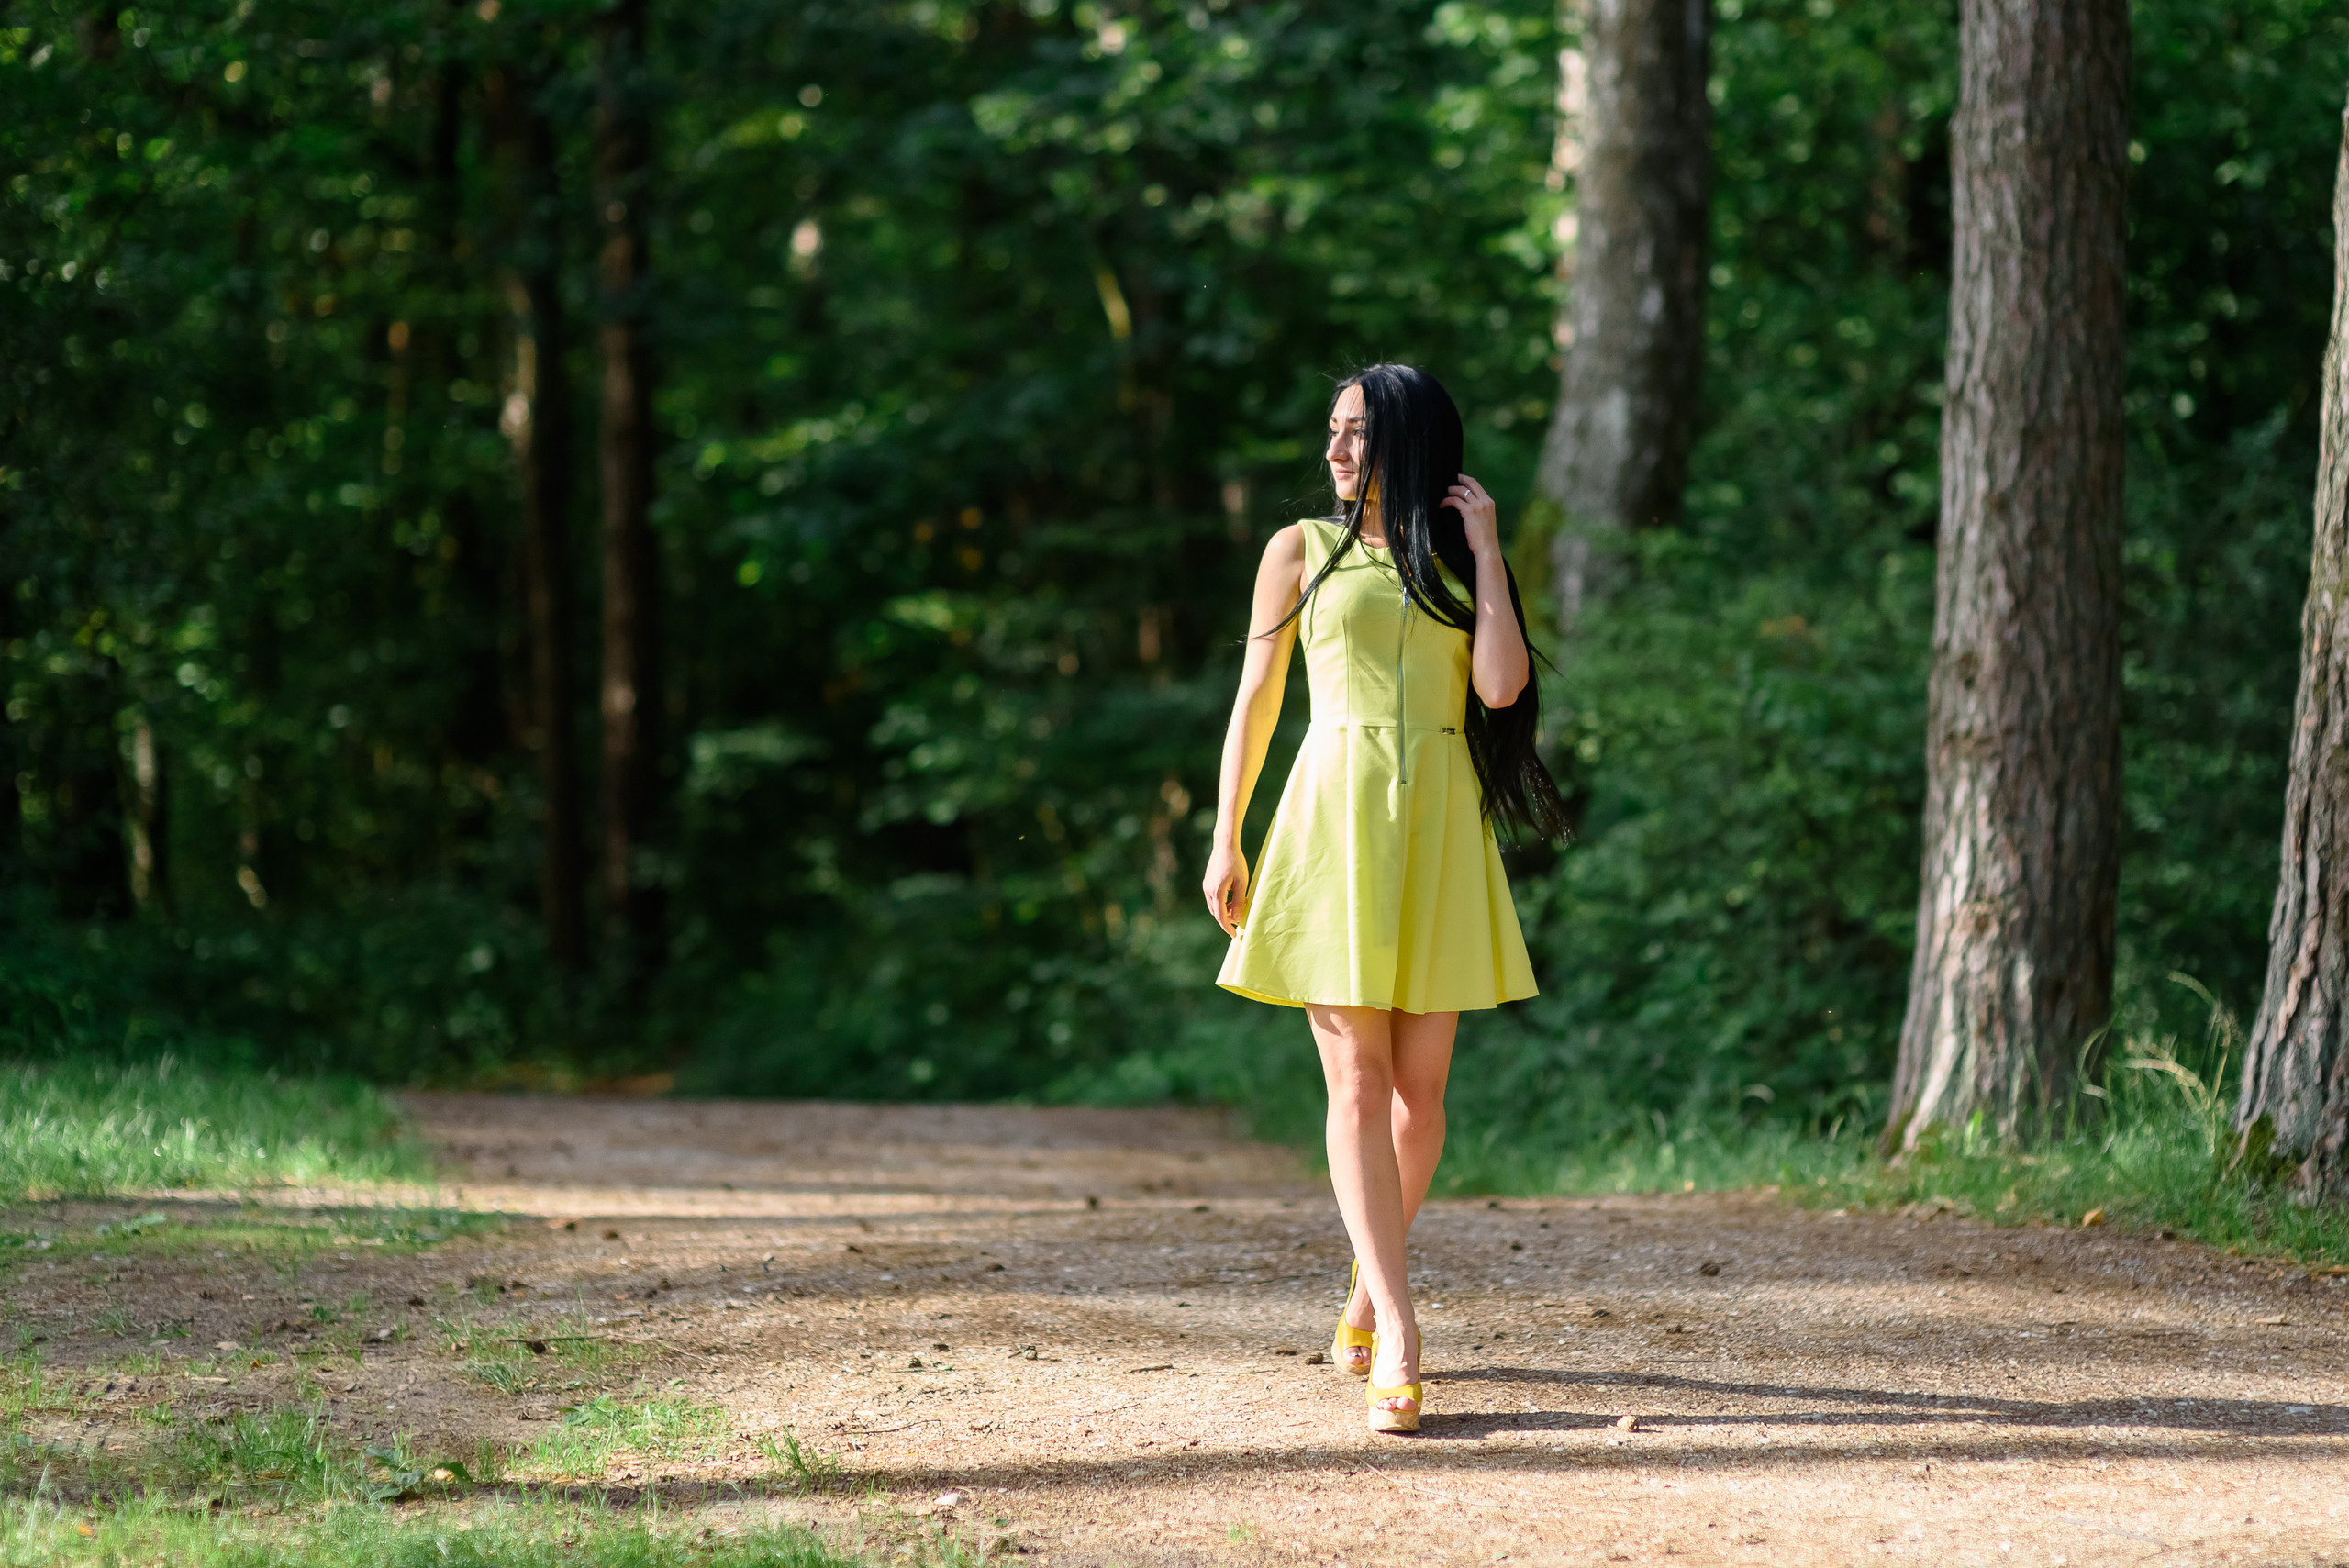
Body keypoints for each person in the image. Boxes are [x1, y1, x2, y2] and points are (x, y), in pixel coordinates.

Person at [1202, 363, 1566, 1435]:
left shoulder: (1457, 559)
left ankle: (1364, 1286)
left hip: (1441, 827)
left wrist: (1490, 551)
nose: (1335, 451)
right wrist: (1226, 833)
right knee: (1356, 1079)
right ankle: (1401, 1332)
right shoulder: (1297, 552)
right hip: (1329, 823)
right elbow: (1256, 701)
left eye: (1356, 433)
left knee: (1420, 1093)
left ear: (1407, 441)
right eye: (1330, 432)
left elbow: (1500, 687)